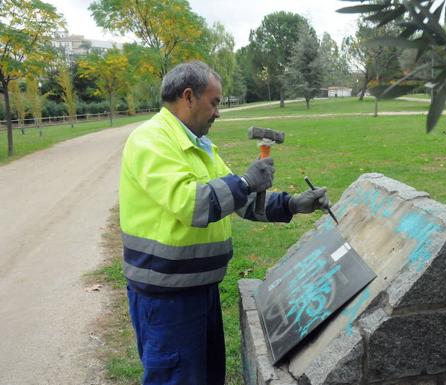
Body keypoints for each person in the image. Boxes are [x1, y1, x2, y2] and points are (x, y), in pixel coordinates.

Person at [119, 61, 330, 385]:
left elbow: (239, 202)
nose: (218, 112)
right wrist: (246, 181)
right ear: (188, 97)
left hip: (201, 289)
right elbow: (192, 204)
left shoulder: (200, 147)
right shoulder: (150, 140)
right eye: (214, 102)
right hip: (166, 299)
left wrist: (291, 204)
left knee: (207, 377)